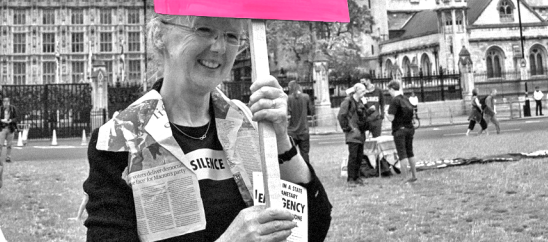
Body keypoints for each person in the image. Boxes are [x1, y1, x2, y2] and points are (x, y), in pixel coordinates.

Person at [82, 14, 332, 242]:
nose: (219, 47)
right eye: (203, 29)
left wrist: (279, 138)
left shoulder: (248, 122)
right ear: (159, 34)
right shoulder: (119, 138)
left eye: (231, 36)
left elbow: (312, 229)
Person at [385, 79, 418, 183]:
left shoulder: (395, 101)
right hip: (409, 128)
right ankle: (414, 175)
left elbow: (391, 118)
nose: (389, 93)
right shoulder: (406, 98)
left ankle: (405, 178)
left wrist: (386, 112)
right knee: (410, 152)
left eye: (389, 90)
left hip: (399, 129)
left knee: (402, 154)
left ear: (391, 89)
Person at [338, 82, 368, 187]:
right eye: (362, 91)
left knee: (360, 156)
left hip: (360, 133)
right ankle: (351, 178)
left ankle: (357, 177)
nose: (364, 93)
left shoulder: (360, 102)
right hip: (352, 133)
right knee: (353, 156)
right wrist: (347, 128)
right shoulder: (348, 101)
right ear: (356, 90)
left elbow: (363, 116)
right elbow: (341, 116)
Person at [286, 80, 314, 164]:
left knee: (291, 155)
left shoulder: (289, 98)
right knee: (305, 154)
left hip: (292, 131)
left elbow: (287, 113)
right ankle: (308, 173)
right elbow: (311, 111)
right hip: (304, 130)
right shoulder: (306, 97)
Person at [0, 96, 20, 163]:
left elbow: (17, 118)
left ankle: (8, 157)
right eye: (4, 102)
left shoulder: (13, 109)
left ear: (9, 102)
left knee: (9, 144)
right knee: (0, 144)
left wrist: (11, 120)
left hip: (10, 128)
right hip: (2, 128)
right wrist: (2, 120)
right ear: (3, 103)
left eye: (7, 102)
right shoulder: (0, 109)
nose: (6, 103)